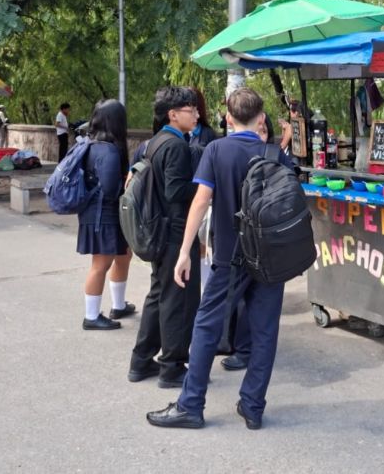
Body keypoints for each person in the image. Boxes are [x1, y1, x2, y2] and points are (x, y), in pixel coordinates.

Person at [147, 88, 294, 431]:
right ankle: (253, 405)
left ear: (228, 118)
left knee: (206, 325)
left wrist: (185, 252)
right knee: (265, 331)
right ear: (261, 119)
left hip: (229, 257)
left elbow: (200, 203)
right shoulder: (275, 153)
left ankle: (191, 404)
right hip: (271, 259)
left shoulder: (216, 150)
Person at [128, 87, 202, 388]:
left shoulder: (154, 142)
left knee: (158, 296)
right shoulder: (175, 146)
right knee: (178, 301)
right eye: (191, 109)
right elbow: (175, 191)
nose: (196, 114)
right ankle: (172, 367)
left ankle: (141, 361)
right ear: (173, 114)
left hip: (158, 230)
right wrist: (204, 188)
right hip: (174, 232)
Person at [77, 99, 134, 331]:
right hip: (104, 214)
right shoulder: (109, 151)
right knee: (101, 263)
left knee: (123, 255)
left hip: (98, 212)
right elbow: (110, 188)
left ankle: (118, 305)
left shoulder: (91, 145)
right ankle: (91, 316)